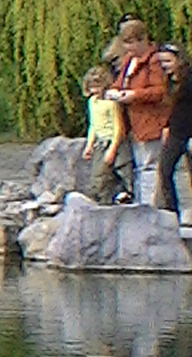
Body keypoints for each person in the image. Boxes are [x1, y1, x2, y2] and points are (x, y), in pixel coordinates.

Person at [106, 17, 172, 206]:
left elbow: (159, 91)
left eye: (131, 43)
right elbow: (119, 84)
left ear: (143, 39)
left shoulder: (154, 61)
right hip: (134, 123)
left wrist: (133, 95)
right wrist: (113, 91)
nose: (128, 49)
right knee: (140, 167)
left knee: (150, 167)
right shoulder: (129, 61)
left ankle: (150, 208)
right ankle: (143, 203)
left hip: (152, 121)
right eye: (125, 44)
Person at [155, 44, 192, 223]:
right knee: (165, 169)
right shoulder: (169, 81)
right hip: (176, 132)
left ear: (180, 60)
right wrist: (167, 126)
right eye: (162, 62)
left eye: (168, 61)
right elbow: (174, 108)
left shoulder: (189, 79)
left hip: (189, 132)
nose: (165, 65)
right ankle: (171, 213)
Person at [82, 65, 129, 204]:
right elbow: (93, 125)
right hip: (100, 142)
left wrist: (112, 149)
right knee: (98, 177)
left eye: (97, 87)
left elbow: (118, 127)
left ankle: (122, 198)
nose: (94, 91)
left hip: (114, 142)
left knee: (122, 173)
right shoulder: (92, 102)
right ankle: (102, 202)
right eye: (91, 87)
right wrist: (89, 145)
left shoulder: (111, 104)